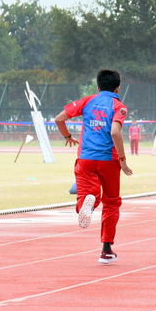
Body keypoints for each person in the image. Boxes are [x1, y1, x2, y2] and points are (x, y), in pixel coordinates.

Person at [54, 69, 133, 264]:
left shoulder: (87, 101)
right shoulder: (119, 106)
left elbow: (59, 119)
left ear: (98, 87)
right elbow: (115, 132)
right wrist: (122, 160)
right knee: (112, 202)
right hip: (109, 161)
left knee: (85, 195)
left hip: (86, 158)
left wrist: (67, 137)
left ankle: (87, 204)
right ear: (118, 88)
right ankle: (106, 250)